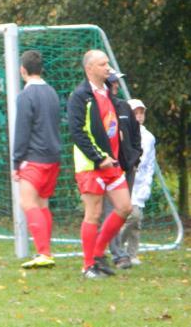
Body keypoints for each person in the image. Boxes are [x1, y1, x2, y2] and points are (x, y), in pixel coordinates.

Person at [67, 50, 132, 279]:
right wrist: (99, 158)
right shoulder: (80, 96)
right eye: (102, 64)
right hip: (91, 165)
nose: (108, 68)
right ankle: (88, 266)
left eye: (107, 63)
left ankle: (97, 253)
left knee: (125, 207)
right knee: (93, 213)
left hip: (111, 163)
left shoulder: (108, 92)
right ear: (89, 69)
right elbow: (77, 131)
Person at [11, 51, 61, 269]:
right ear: (41, 69)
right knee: (42, 204)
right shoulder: (52, 92)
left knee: (27, 203)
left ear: (22, 70)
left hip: (34, 157)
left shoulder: (26, 95)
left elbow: (22, 130)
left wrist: (16, 162)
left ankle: (44, 253)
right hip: (53, 157)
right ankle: (45, 251)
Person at [101, 70, 142, 269]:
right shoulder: (100, 108)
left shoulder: (124, 106)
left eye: (117, 81)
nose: (116, 85)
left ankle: (111, 250)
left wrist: (135, 158)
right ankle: (117, 254)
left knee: (124, 211)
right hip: (108, 169)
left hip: (127, 168)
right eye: (113, 81)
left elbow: (135, 135)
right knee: (110, 212)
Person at [121, 99, 156, 265]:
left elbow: (149, 164)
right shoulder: (123, 133)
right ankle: (117, 246)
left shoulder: (149, 137)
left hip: (139, 184)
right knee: (132, 216)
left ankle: (132, 254)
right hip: (125, 183)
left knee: (137, 221)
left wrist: (147, 184)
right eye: (136, 113)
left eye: (142, 112)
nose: (139, 116)